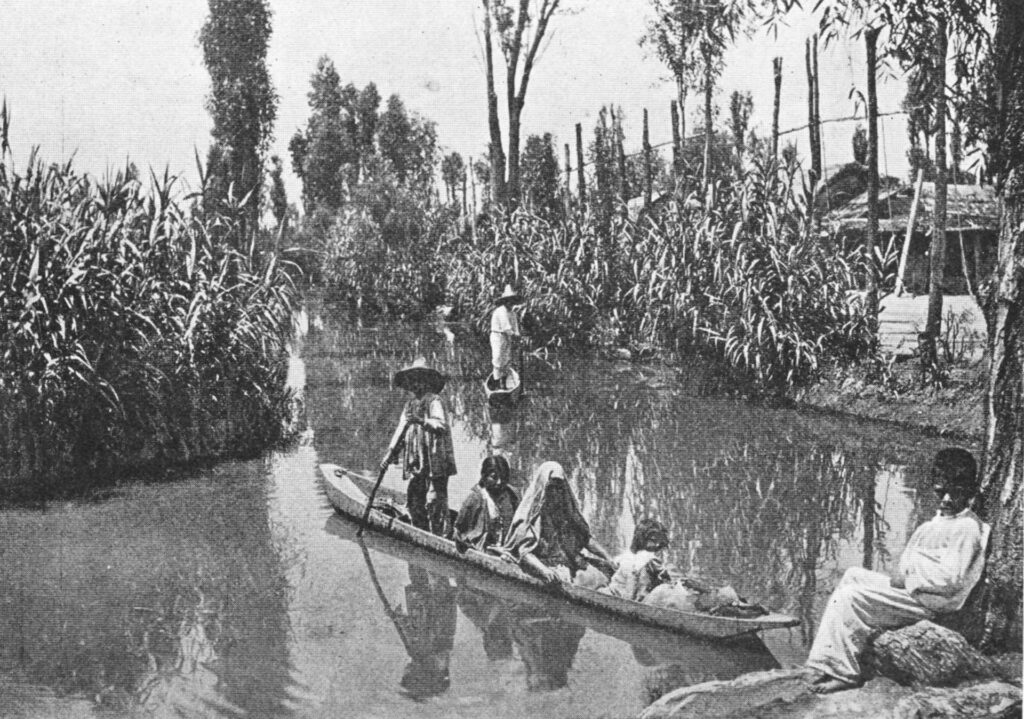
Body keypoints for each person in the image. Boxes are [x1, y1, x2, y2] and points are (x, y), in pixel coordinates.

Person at [806, 447, 990, 694]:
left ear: (967, 492)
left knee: (850, 597)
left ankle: (844, 672)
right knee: (852, 575)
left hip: (933, 603)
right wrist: (907, 570)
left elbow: (952, 579)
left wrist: (908, 575)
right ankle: (831, 654)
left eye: (954, 494)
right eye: (941, 492)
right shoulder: (942, 521)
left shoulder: (967, 527)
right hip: (919, 592)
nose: (946, 499)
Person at [500, 461, 616, 584]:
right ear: (543, 486)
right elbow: (524, 552)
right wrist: (544, 570)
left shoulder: (566, 512)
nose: (555, 493)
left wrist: (608, 557)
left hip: (569, 562)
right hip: (544, 565)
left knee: (605, 573)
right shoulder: (530, 517)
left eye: (559, 488)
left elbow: (585, 538)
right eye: (551, 487)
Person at [380, 358, 457, 536]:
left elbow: (440, 425)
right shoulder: (410, 405)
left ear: (426, 382)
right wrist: (390, 455)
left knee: (435, 500)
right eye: (412, 380)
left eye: (419, 380)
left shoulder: (434, 401)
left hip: (435, 459)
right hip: (418, 460)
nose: (415, 384)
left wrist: (421, 421)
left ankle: (440, 536)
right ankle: (419, 532)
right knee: (415, 498)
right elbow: (401, 430)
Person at [453, 455, 521, 552]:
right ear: (484, 475)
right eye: (494, 477)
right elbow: (460, 531)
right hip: (485, 551)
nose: (499, 482)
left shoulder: (512, 496)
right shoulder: (475, 499)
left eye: (503, 478)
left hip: (507, 551)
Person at [601, 518, 672, 602]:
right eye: (653, 540)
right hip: (622, 596)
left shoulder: (628, 555)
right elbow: (631, 589)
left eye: (659, 541)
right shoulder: (648, 559)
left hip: (611, 593)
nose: (657, 544)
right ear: (642, 539)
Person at [489, 285, 522, 389]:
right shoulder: (501, 311)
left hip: (507, 337)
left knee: (507, 358)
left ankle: (504, 382)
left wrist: (518, 335)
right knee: (498, 358)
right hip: (498, 336)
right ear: (505, 301)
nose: (510, 303)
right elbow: (506, 327)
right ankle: (497, 383)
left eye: (512, 301)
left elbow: (515, 327)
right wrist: (515, 336)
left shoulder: (512, 313)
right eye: (508, 301)